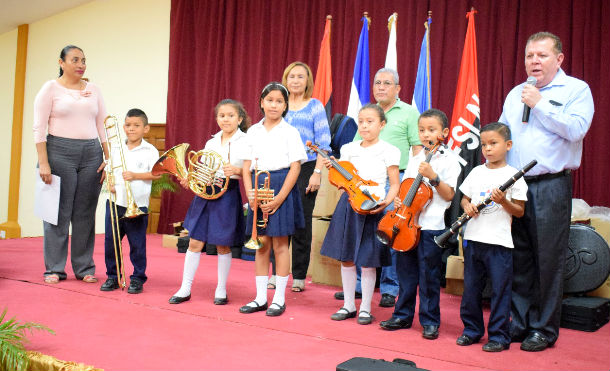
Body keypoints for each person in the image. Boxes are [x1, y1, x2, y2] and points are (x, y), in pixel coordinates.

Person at [499, 32, 594, 352]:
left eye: (541, 55)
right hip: (516, 185)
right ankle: (520, 321)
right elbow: (503, 136)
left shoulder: (576, 90)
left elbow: (576, 129)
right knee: (520, 258)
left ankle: (544, 329)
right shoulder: (516, 94)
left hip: (551, 184)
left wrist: (539, 105)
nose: (534, 62)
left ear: (559, 59)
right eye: (529, 56)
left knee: (548, 261)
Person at [335, 68, 422, 307]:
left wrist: (412, 181)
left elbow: (417, 147)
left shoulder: (409, 113)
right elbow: (353, 149)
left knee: (388, 233)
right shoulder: (367, 112)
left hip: (396, 178)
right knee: (362, 236)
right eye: (377, 83)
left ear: (398, 88)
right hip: (363, 183)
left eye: (387, 83)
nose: (381, 87)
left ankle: (389, 288)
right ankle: (360, 289)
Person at [379, 109, 460, 340]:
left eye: (431, 130)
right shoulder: (416, 158)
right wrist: (399, 200)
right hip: (407, 224)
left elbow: (448, 195)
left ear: (444, 132)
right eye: (422, 130)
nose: (426, 134)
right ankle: (402, 315)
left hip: (431, 226)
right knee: (405, 274)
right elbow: (408, 190)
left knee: (429, 276)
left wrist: (433, 176)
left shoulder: (450, 160)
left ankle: (430, 320)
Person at [34, 45, 109, 284]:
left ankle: (84, 267)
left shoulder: (94, 89)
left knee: (85, 213)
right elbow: (39, 128)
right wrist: (44, 162)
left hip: (91, 154)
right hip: (58, 152)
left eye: (84, 60)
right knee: (57, 213)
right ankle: (54, 268)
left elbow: (103, 127)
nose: (81, 64)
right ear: (61, 62)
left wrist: (108, 160)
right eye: (75, 59)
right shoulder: (50, 88)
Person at [321, 103, 400, 325]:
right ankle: (348, 305)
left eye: (370, 121)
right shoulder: (348, 148)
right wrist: (333, 166)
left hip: (373, 206)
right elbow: (344, 179)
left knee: (367, 260)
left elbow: (394, 184)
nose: (365, 126)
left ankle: (365, 308)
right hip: (349, 204)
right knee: (346, 257)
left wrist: (386, 202)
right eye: (362, 121)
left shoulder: (390, 150)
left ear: (382, 124)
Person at [168, 99, 249, 305]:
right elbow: (202, 168)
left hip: (227, 192)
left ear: (239, 119)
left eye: (231, 115)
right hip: (205, 192)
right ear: (216, 119)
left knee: (222, 244)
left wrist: (238, 171)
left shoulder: (246, 141)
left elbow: (251, 170)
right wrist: (191, 179)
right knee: (195, 241)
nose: (226, 119)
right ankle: (185, 288)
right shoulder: (211, 142)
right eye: (222, 116)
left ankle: (221, 289)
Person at [457, 122, 527, 352]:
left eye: (493, 143)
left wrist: (503, 201)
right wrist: (467, 206)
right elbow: (464, 199)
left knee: (500, 290)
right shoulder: (477, 172)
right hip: (474, 239)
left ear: (508, 145)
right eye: (484, 144)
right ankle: (471, 330)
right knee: (471, 290)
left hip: (499, 243)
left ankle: (498, 336)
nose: (487, 149)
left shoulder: (514, 176)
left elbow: (519, 211)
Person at [239, 82, 307, 317]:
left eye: (279, 101)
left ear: (285, 105)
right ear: (261, 103)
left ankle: (278, 299)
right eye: (270, 100)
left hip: (281, 186)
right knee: (261, 244)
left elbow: (296, 167)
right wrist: (249, 193)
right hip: (258, 187)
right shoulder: (253, 131)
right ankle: (260, 298)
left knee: (280, 245)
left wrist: (279, 198)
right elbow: (246, 167)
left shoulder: (290, 131)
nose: (274, 105)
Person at [278, 61, 331, 292]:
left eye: (301, 76)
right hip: (279, 168)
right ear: (285, 80)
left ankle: (298, 275)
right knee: (277, 221)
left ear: (308, 81)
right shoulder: (279, 104)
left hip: (307, 167)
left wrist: (317, 173)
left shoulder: (315, 106)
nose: (296, 81)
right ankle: (277, 273)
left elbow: (323, 144)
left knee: (301, 223)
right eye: (292, 76)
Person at [100, 109, 160, 294]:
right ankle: (113, 276)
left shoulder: (150, 150)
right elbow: (109, 170)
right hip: (115, 202)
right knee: (111, 242)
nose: (131, 129)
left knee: (137, 244)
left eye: (136, 125)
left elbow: (156, 174)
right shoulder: (117, 147)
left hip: (138, 204)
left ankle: (137, 278)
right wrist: (110, 183)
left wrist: (135, 176)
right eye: (127, 125)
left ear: (146, 128)